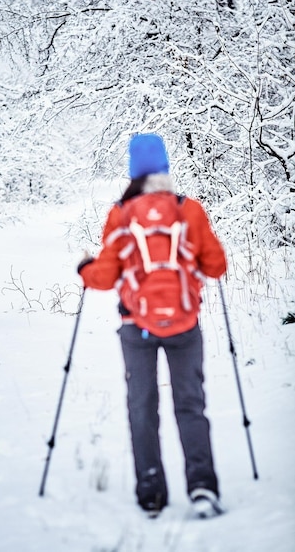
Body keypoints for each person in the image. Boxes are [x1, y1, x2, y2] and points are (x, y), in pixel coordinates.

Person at [77, 133, 227, 517]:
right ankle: (203, 488)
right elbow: (216, 266)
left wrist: (85, 268)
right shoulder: (188, 210)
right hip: (184, 325)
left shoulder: (121, 214)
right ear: (164, 168)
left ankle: (151, 491)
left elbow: (106, 276)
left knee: (142, 405)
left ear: (133, 170)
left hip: (136, 326)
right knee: (190, 405)